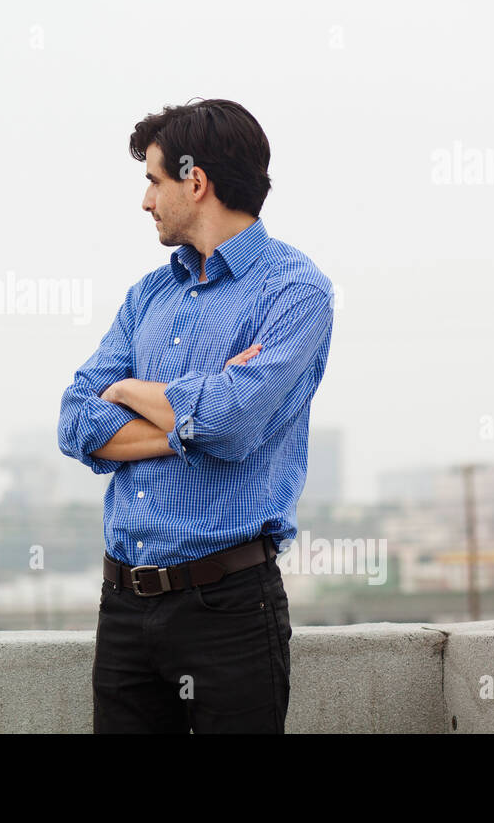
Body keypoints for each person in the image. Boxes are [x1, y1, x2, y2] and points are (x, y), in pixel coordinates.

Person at [57, 98, 335, 733]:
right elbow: (76, 423)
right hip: (124, 606)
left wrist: (128, 390)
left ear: (196, 180)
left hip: (228, 609)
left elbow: (234, 422)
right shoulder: (148, 295)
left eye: (154, 181)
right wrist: (192, 419)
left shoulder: (294, 291)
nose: (146, 201)